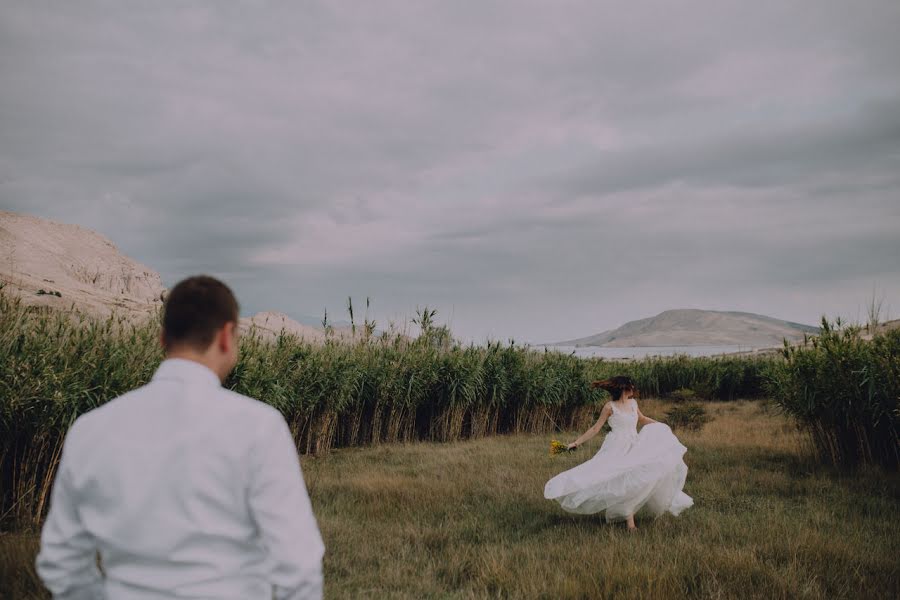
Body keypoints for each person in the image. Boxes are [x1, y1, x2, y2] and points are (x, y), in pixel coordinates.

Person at [36, 275, 324, 599]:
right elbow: (299, 564)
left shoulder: (90, 429)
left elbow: (61, 561)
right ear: (227, 337)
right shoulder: (259, 427)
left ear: (163, 339)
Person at [544, 376, 692, 530]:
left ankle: (629, 520)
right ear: (624, 389)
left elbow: (641, 419)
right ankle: (629, 523)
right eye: (631, 387)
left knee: (635, 479)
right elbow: (595, 428)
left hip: (634, 444)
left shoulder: (633, 404)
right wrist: (576, 443)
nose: (634, 390)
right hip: (616, 447)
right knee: (611, 477)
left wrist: (662, 426)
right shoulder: (610, 407)